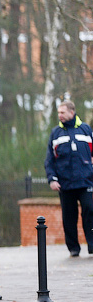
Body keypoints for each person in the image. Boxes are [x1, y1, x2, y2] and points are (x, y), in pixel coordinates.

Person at [44, 100, 93, 257]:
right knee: (69, 217)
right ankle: (73, 248)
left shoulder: (85, 130)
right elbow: (49, 160)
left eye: (62, 112)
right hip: (65, 183)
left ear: (72, 112)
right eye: (58, 112)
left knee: (90, 210)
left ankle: (92, 245)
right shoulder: (56, 133)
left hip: (86, 181)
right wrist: (52, 179)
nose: (60, 115)